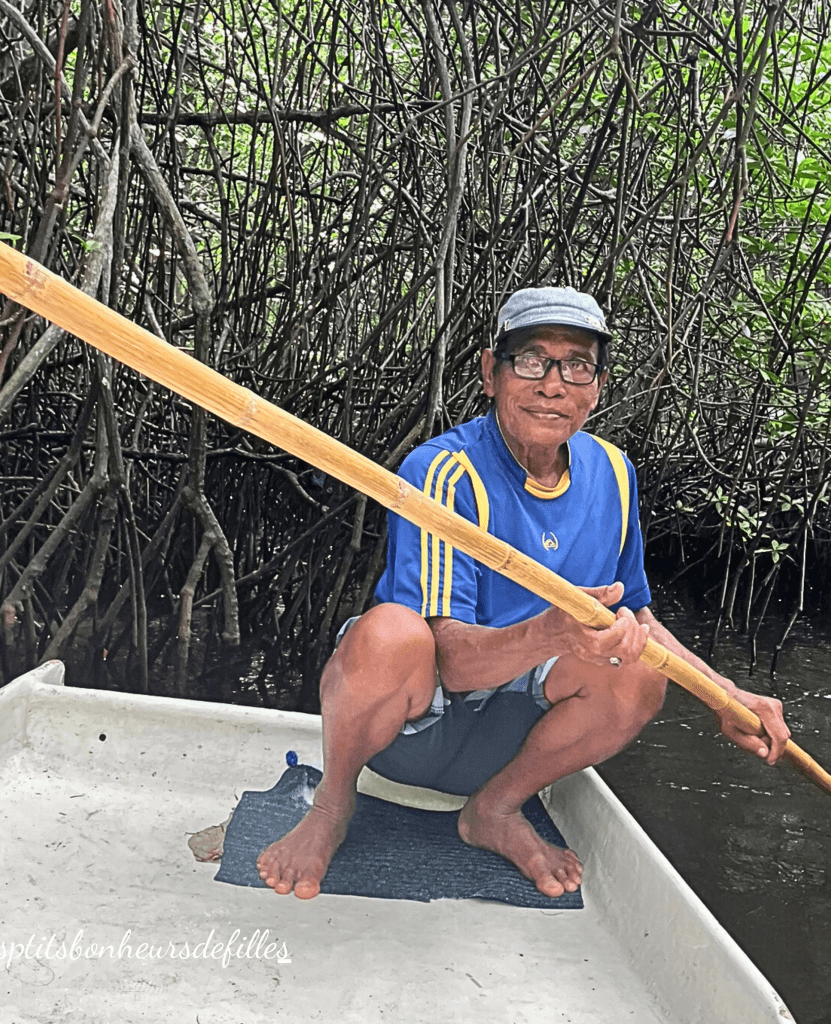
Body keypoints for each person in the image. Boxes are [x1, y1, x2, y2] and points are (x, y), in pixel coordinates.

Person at [257, 285, 790, 900]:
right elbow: (449, 662)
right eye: (532, 360)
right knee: (388, 633)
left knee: (639, 665)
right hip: (413, 732)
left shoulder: (615, 473)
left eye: (577, 365)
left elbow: (635, 612)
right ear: (491, 372)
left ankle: (496, 809)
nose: (553, 384)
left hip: (514, 742)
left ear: (597, 384)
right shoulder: (443, 471)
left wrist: (725, 696)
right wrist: (553, 633)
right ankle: (331, 805)